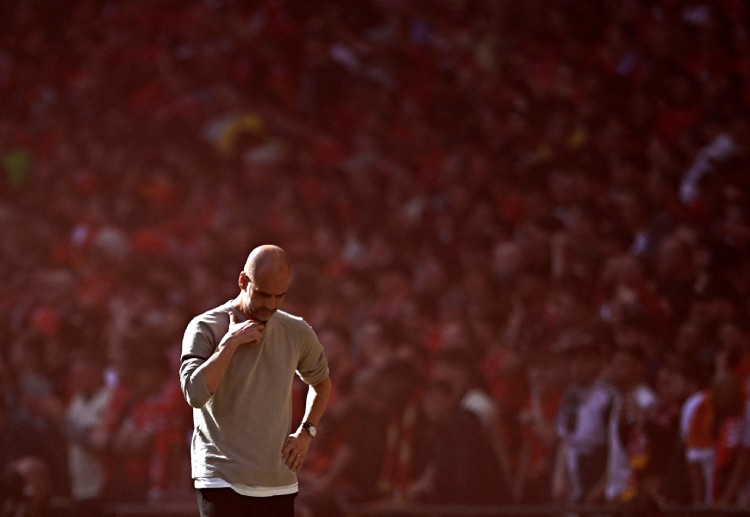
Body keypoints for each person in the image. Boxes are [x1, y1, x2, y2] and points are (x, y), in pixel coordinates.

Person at [179, 244, 331, 517]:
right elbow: (195, 394)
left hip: (278, 482)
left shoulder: (296, 331)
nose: (270, 305)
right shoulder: (206, 326)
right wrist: (229, 344)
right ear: (242, 281)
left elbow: (321, 383)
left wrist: (307, 431)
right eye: (262, 294)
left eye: (279, 296)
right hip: (221, 477)